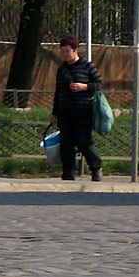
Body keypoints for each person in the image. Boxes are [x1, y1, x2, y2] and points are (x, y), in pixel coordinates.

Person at [49, 34, 104, 181]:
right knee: (66, 144)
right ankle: (68, 173)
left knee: (83, 142)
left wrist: (84, 86)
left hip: (83, 112)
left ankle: (96, 167)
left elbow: (98, 84)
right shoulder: (62, 70)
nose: (65, 54)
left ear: (76, 50)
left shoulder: (87, 66)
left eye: (67, 51)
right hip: (65, 112)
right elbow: (58, 92)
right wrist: (54, 113)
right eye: (62, 52)